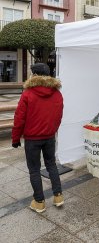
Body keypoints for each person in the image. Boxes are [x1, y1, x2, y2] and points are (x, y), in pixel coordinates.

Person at [12, 63, 64, 213]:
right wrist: (53, 130)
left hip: (32, 139)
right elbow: (58, 116)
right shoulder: (57, 93)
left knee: (34, 170)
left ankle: (39, 202)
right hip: (49, 137)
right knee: (51, 165)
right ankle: (58, 196)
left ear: (35, 75)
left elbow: (19, 118)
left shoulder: (28, 94)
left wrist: (15, 139)